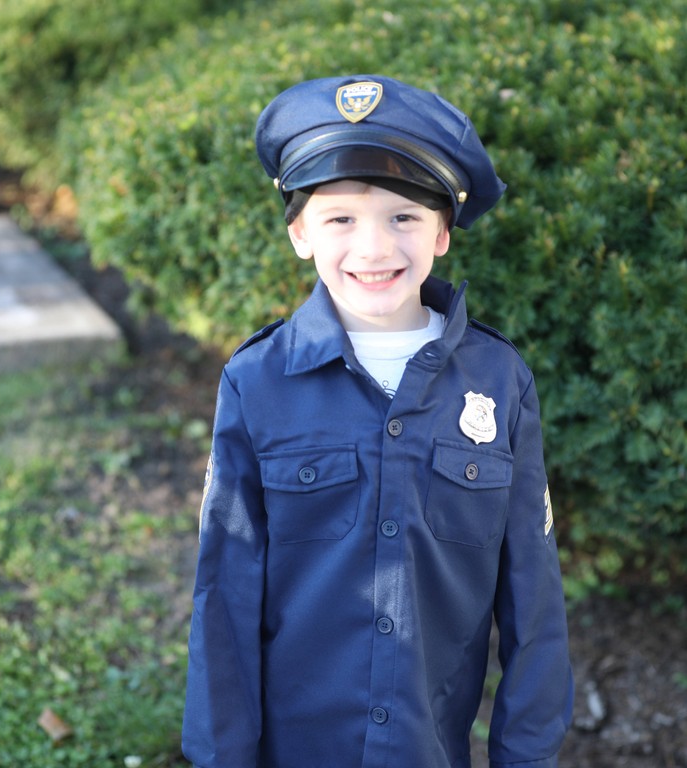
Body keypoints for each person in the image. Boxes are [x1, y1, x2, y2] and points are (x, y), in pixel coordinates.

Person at [182, 74, 574, 768]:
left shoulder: (497, 380)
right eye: (340, 219)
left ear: (442, 232)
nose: (373, 247)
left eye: (403, 217)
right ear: (299, 232)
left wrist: (527, 756)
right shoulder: (256, 381)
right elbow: (224, 596)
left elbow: (533, 601)